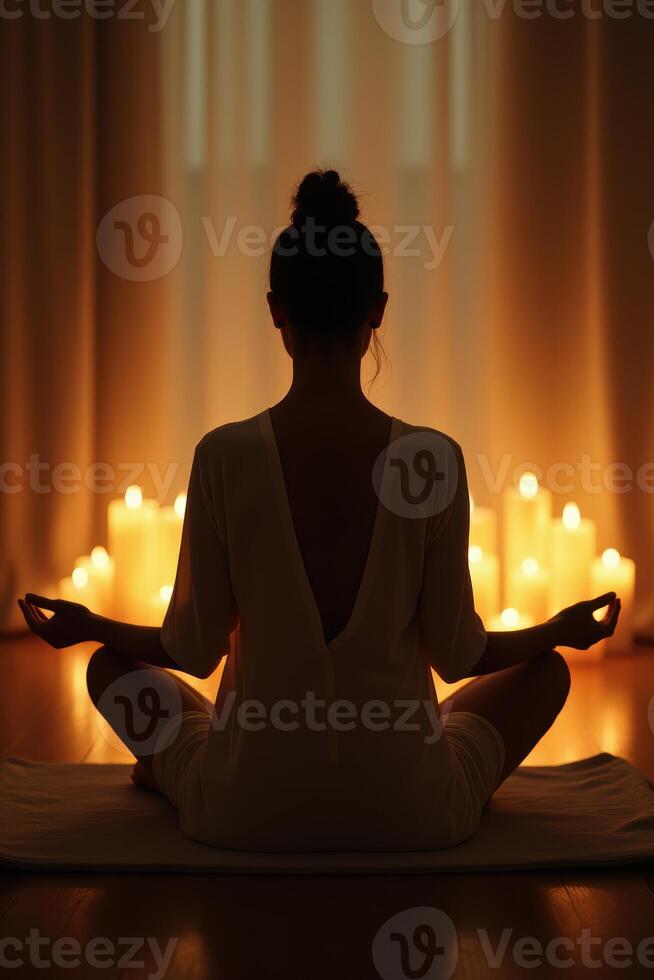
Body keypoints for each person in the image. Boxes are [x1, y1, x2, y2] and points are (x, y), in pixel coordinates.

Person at [19, 170, 621, 852]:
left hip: (242, 811)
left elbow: (191, 648)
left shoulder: (224, 455)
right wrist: (559, 629)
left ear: (276, 309)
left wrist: (88, 622)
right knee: (545, 674)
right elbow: (459, 656)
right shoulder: (434, 459)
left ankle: (177, 770)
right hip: (412, 812)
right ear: (378, 309)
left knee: (108, 669)